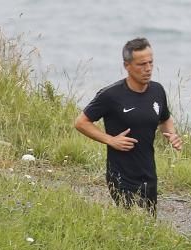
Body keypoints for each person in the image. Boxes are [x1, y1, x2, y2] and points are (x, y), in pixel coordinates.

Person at [75, 37, 182, 213]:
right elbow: (81, 122)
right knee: (132, 223)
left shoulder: (157, 90)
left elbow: (164, 119)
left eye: (150, 63)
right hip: (121, 175)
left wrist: (172, 134)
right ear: (127, 66)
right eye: (141, 64)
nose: (148, 69)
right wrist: (110, 140)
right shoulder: (111, 95)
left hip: (148, 174)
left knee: (146, 227)